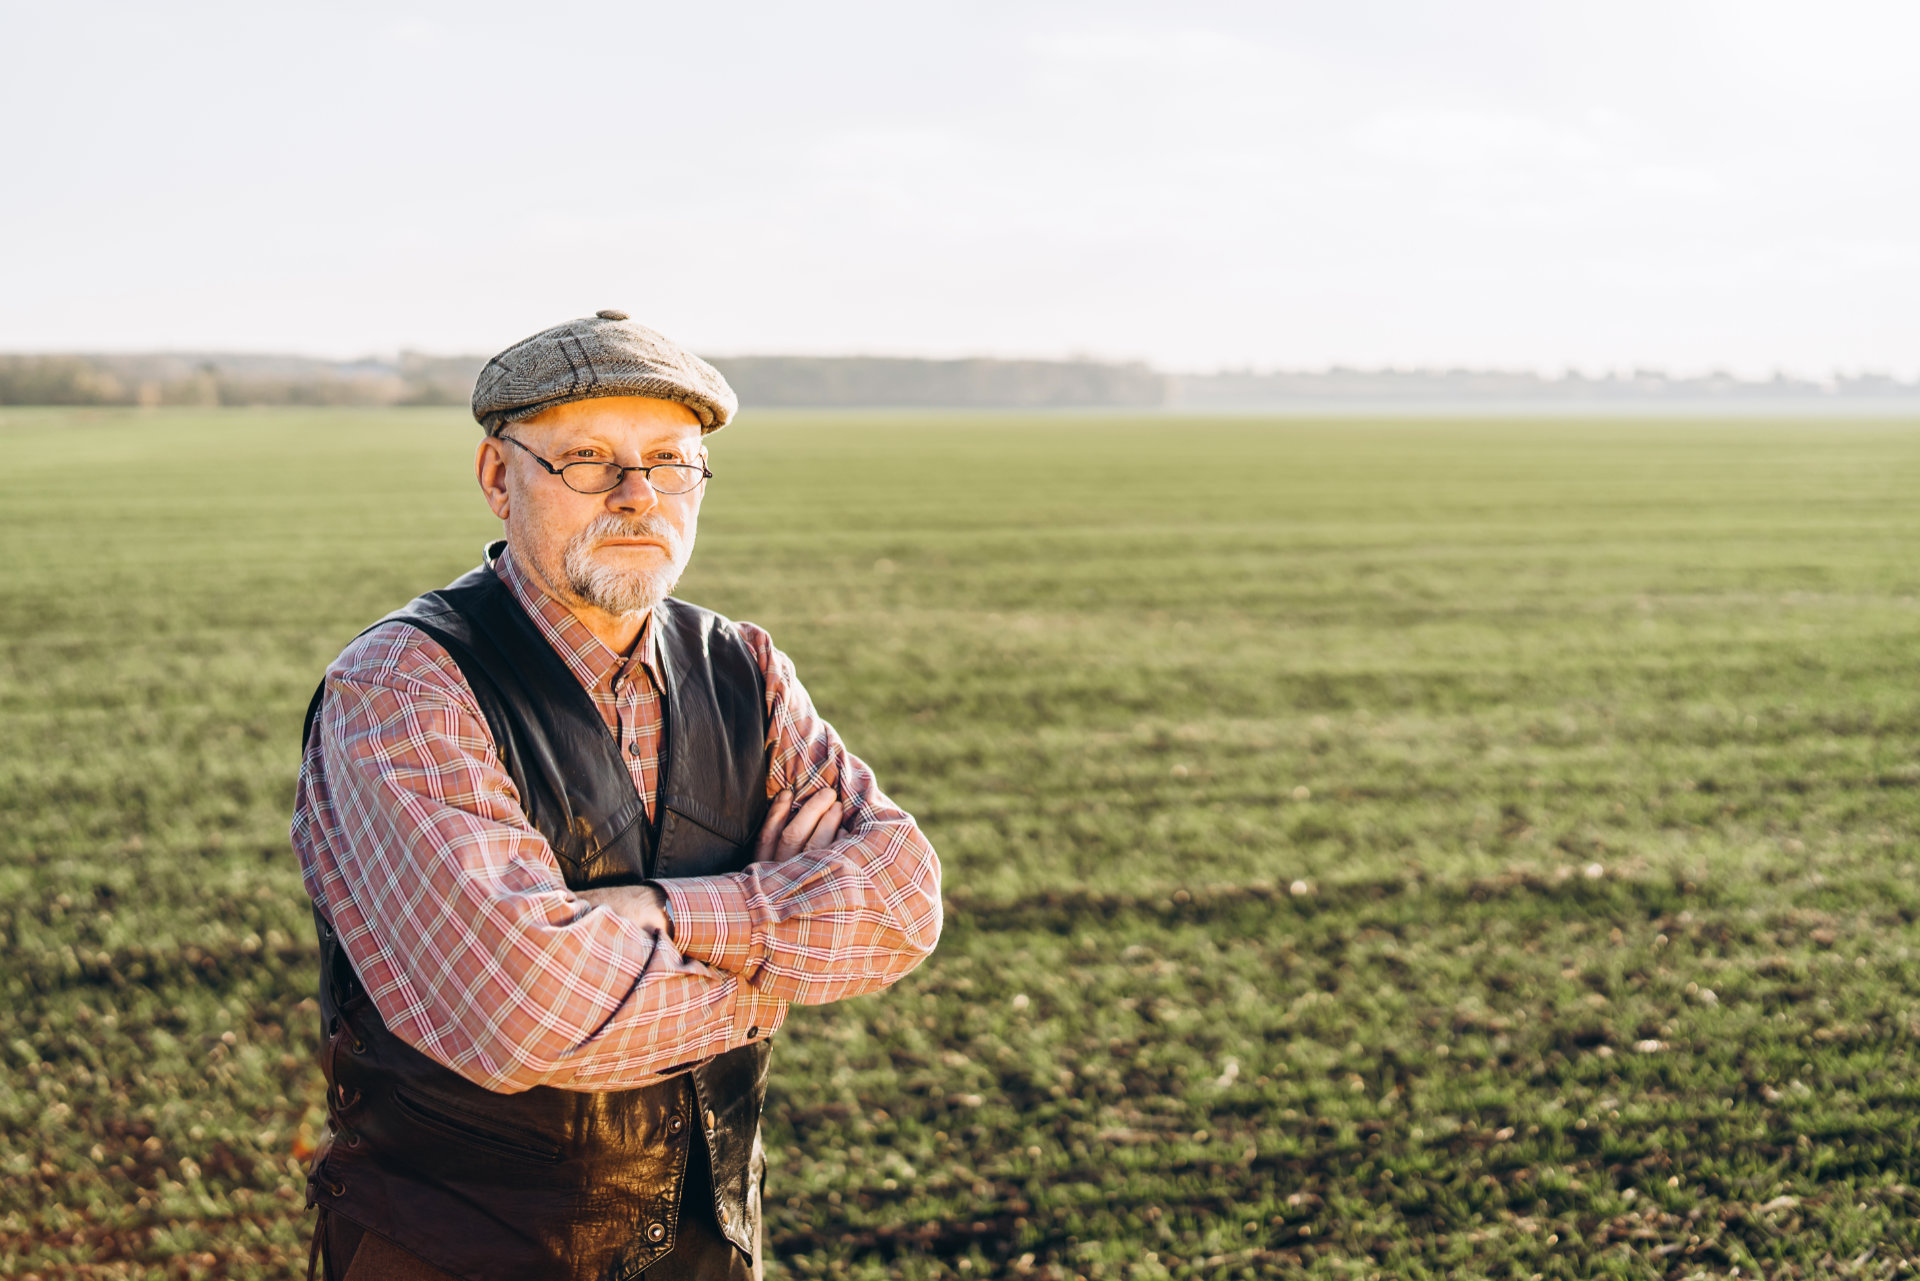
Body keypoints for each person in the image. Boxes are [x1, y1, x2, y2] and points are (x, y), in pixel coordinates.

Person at [290, 310, 943, 1280]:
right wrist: (776, 966)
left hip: (708, 1247)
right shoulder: (406, 686)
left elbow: (899, 908)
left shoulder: (744, 666)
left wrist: (655, 918)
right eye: (587, 459)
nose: (639, 496)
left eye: (672, 462)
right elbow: (523, 1015)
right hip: (456, 1253)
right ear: (497, 477)